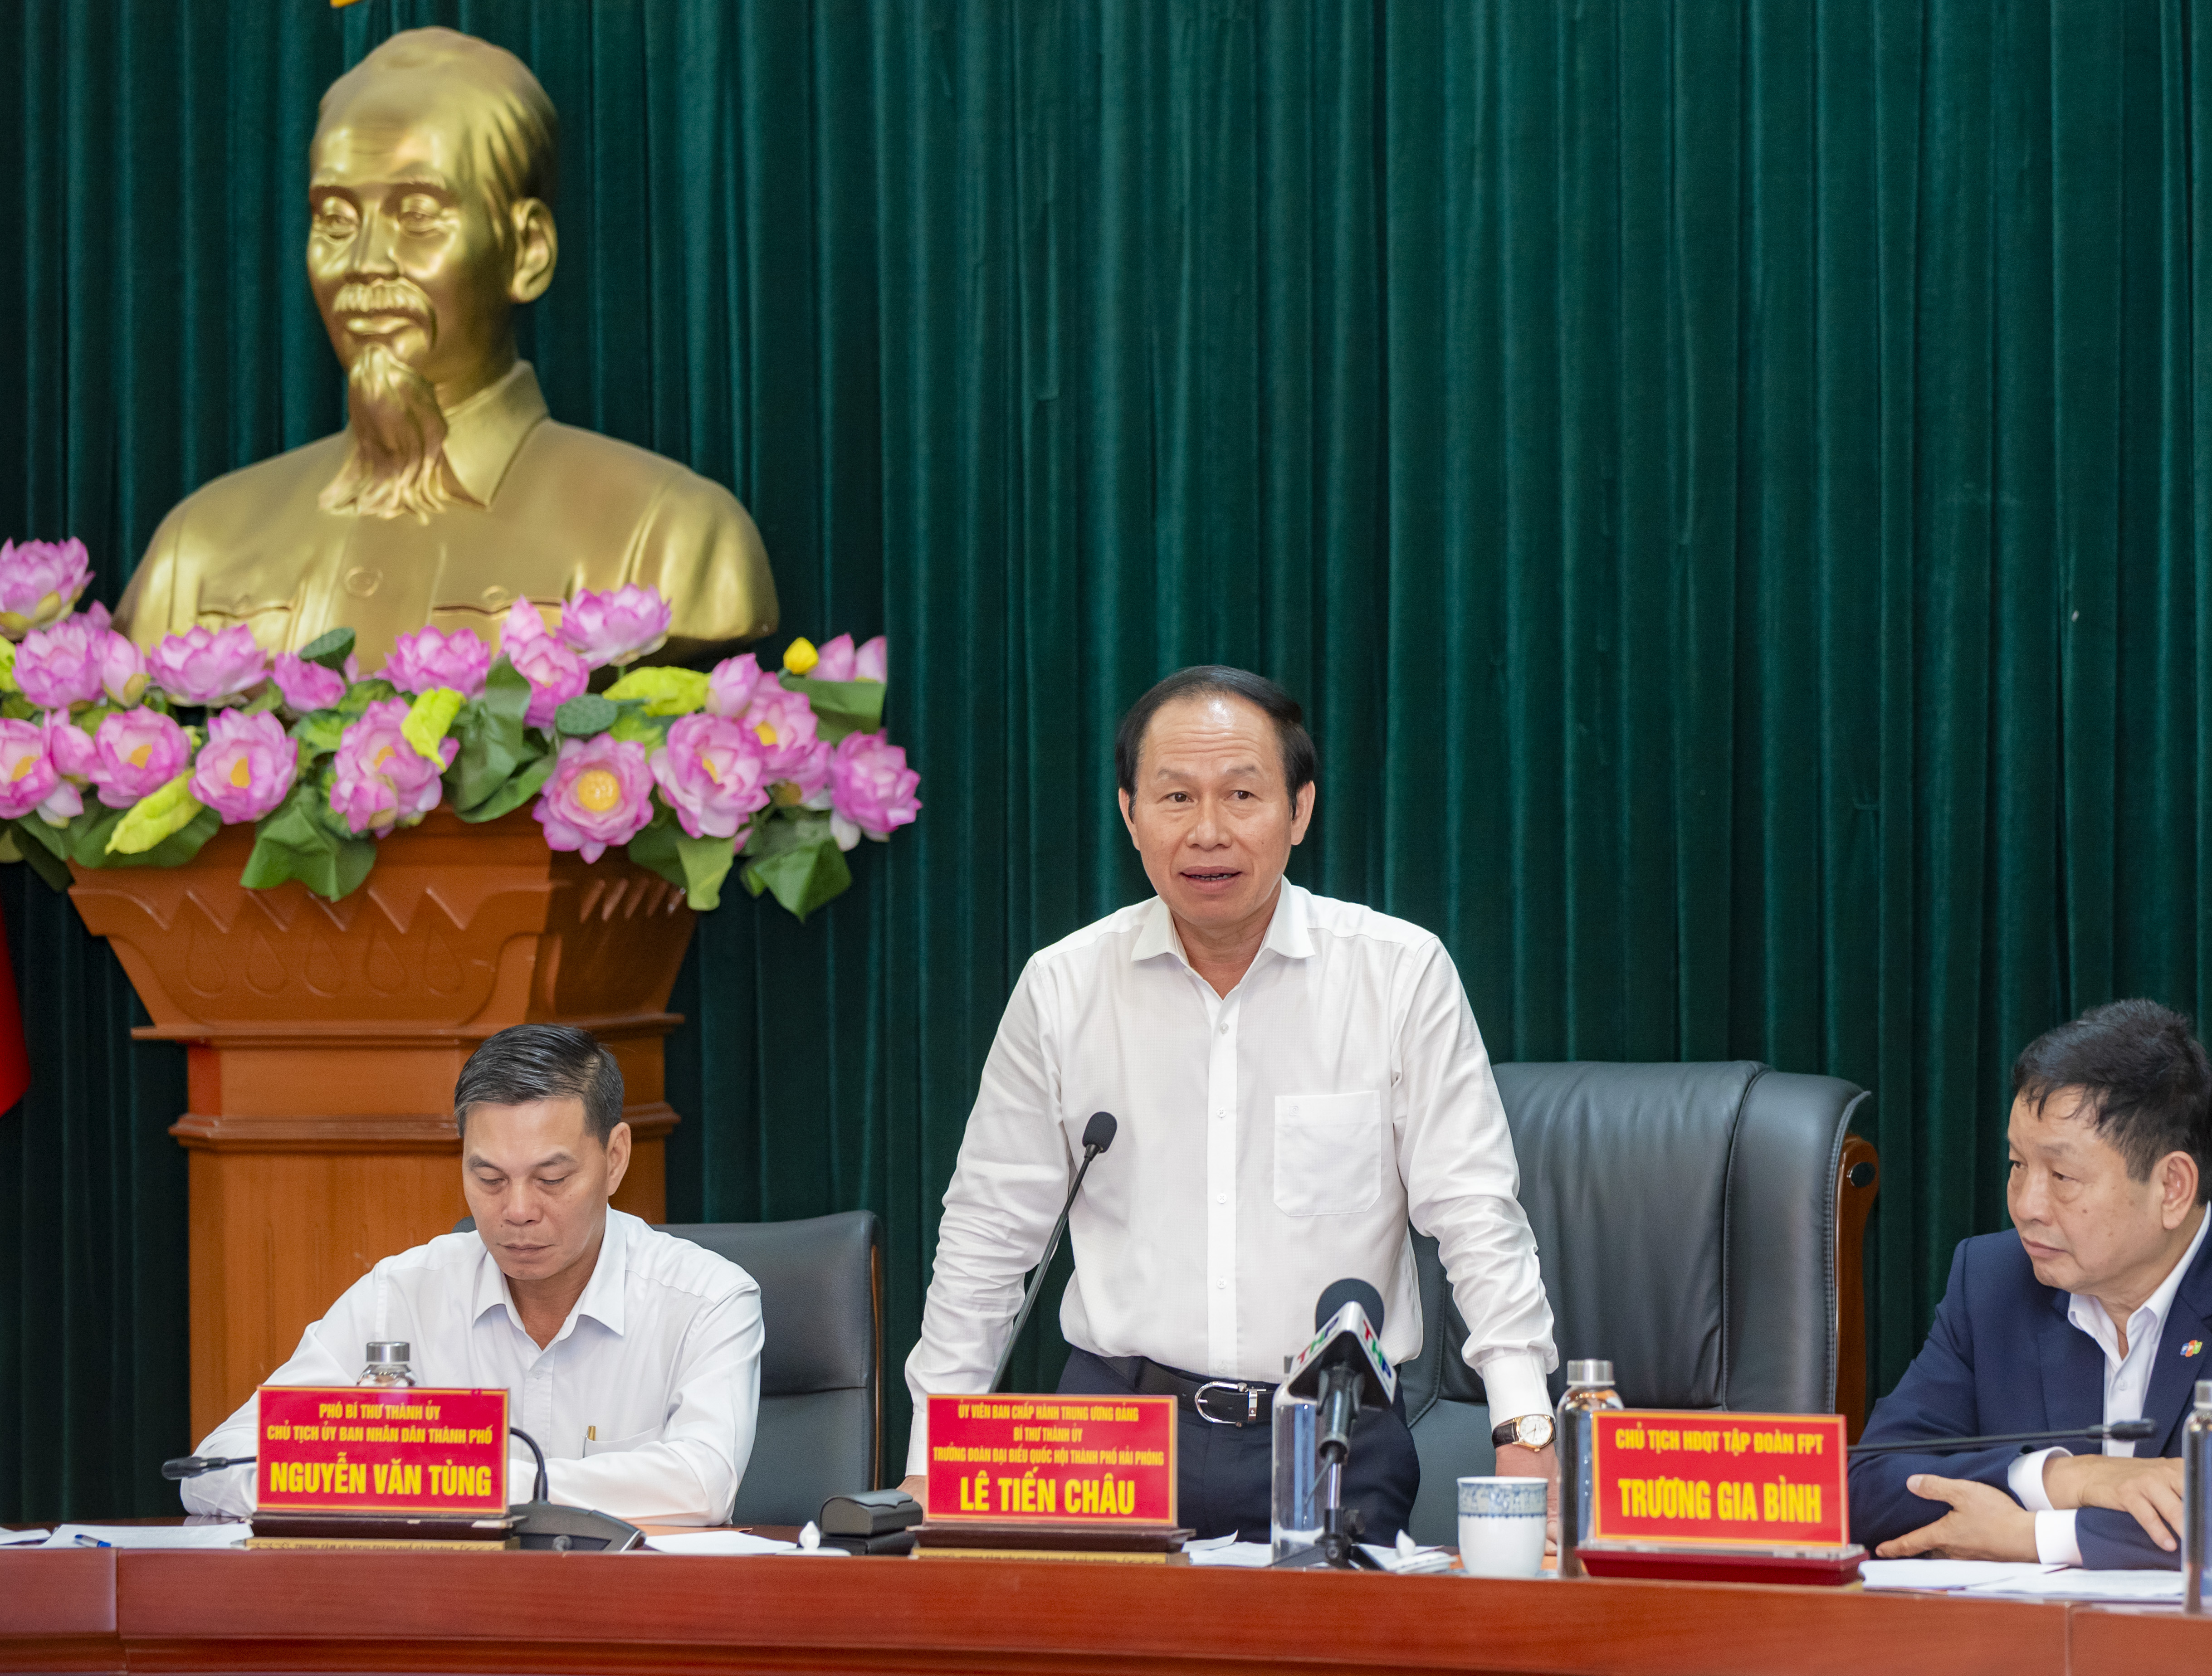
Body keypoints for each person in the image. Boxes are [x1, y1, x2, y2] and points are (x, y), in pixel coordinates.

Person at [895, 667, 1559, 1543]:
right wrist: (928, 1455)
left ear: (1299, 810)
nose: (1207, 830)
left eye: (1242, 794)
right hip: (1110, 1435)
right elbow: (988, 1233)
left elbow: (1475, 1212)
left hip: (1331, 1431)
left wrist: (1523, 1427)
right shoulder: (1063, 987)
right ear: (1131, 814)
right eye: (1175, 796)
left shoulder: (1398, 974)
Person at [115, 27, 776, 666]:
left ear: (527, 251)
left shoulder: (669, 538)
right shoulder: (195, 552)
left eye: (418, 216)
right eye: (336, 219)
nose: (365, 263)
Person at [1850, 999, 2212, 1568]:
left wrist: (2038, 1536)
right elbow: (1866, 1485)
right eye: (2016, 1165)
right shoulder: (1991, 1279)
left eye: (2061, 1175)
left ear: (2171, 1187)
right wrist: (2065, 1478)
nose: (2025, 1206)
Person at [181, 1025, 763, 1526]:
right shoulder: (402, 1295)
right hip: (440, 1612)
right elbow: (214, 1469)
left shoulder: (707, 1300)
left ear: (615, 1159)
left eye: (551, 1180)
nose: (517, 1210)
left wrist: (465, 1479)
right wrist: (380, 1480)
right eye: (489, 1180)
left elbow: (701, 1484)